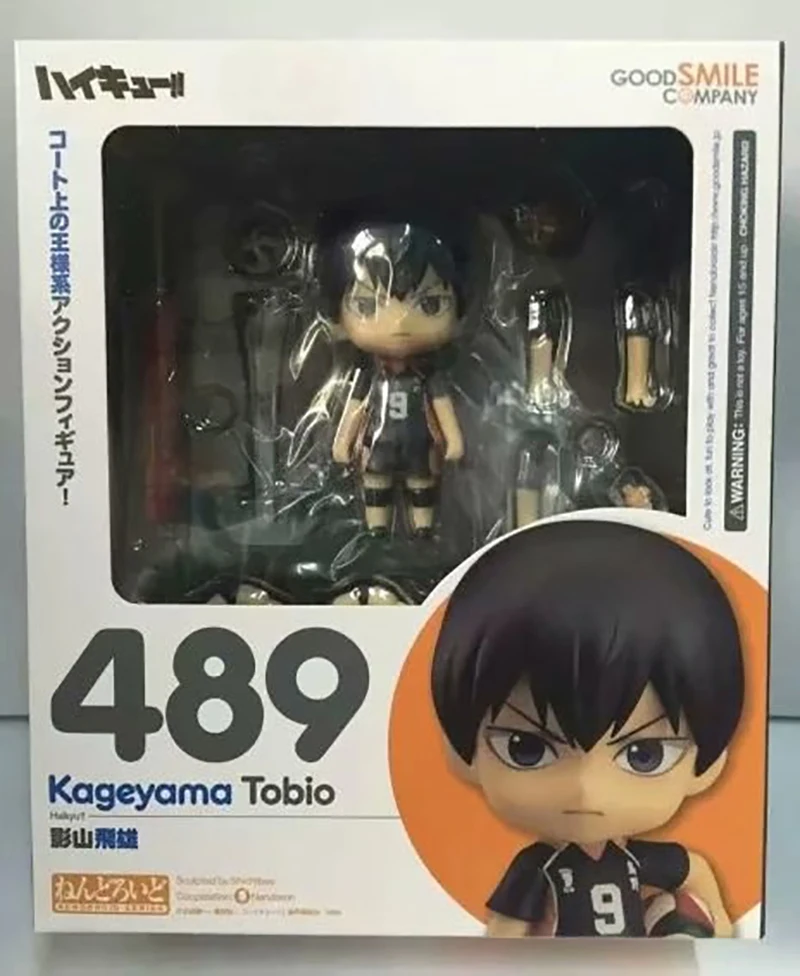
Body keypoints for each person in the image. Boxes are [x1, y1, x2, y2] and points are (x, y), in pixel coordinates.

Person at [431, 520, 744, 938]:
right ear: (462, 753)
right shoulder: (539, 867)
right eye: (526, 748)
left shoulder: (636, 861)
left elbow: (695, 869)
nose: (586, 790)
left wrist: (717, 926)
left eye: (645, 755)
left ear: (707, 763)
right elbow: (505, 932)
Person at [324, 221, 466, 537]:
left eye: (430, 304)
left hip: (419, 445)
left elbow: (443, 409)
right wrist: (343, 442)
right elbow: (354, 409)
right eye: (366, 305)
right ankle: (377, 527)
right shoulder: (368, 376)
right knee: (375, 483)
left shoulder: (428, 376)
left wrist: (454, 440)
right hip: (378, 446)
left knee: (422, 483)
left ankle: (423, 527)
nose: (399, 323)